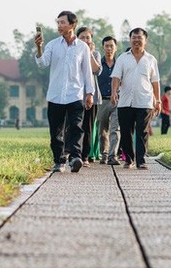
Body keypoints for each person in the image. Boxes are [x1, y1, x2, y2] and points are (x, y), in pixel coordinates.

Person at [35, 11, 94, 173]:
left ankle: (75, 157)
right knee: (56, 131)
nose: (59, 25)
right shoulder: (52, 45)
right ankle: (59, 161)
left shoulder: (82, 48)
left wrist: (90, 93)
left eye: (62, 22)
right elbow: (42, 63)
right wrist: (39, 47)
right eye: (58, 22)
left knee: (76, 127)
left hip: (75, 94)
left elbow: (87, 72)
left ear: (72, 25)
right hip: (55, 95)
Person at [111, 27, 160, 170]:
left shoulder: (151, 60)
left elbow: (155, 81)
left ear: (145, 40)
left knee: (142, 131)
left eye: (139, 38)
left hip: (144, 101)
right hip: (125, 101)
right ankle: (129, 159)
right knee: (126, 131)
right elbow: (116, 77)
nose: (136, 40)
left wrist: (157, 100)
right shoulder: (122, 58)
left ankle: (141, 160)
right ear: (130, 39)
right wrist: (114, 92)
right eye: (134, 37)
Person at [76, 26, 102, 167]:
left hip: (92, 96)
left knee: (88, 127)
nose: (85, 40)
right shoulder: (73, 53)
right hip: (74, 95)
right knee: (74, 126)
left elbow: (97, 70)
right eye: (82, 37)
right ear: (77, 38)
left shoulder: (96, 54)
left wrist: (90, 53)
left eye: (88, 37)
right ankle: (73, 154)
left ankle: (85, 156)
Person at [96, 36, 121, 165]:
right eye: (107, 46)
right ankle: (104, 154)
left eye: (112, 46)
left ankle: (113, 155)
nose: (109, 48)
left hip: (117, 100)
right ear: (103, 47)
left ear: (116, 48)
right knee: (102, 130)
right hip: (102, 101)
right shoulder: (98, 64)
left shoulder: (120, 64)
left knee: (115, 129)